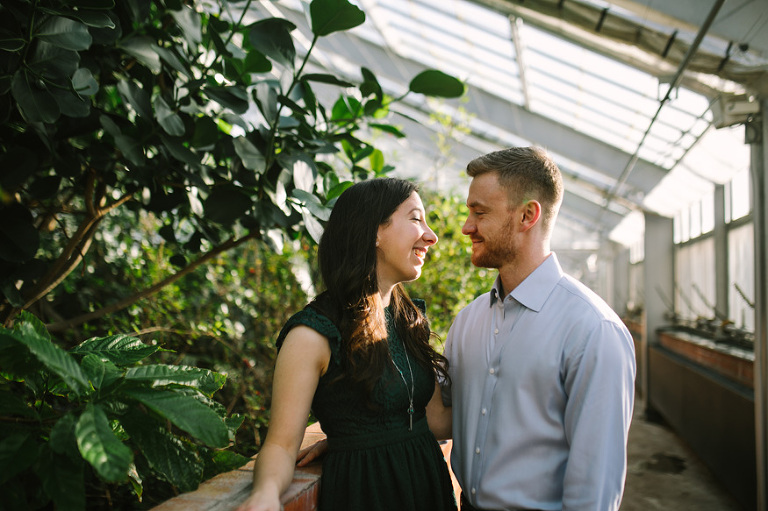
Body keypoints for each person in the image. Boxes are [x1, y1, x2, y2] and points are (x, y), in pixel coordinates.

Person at [235, 177, 457, 511]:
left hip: (426, 484)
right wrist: (265, 495)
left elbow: (437, 421)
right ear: (375, 232)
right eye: (415, 218)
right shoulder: (313, 334)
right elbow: (281, 445)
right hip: (365, 493)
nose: (431, 235)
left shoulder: (411, 321)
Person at [442, 146, 636, 511]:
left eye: (479, 213)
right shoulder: (467, 321)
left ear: (528, 215)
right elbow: (438, 417)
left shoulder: (593, 331)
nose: (467, 227)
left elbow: (594, 490)